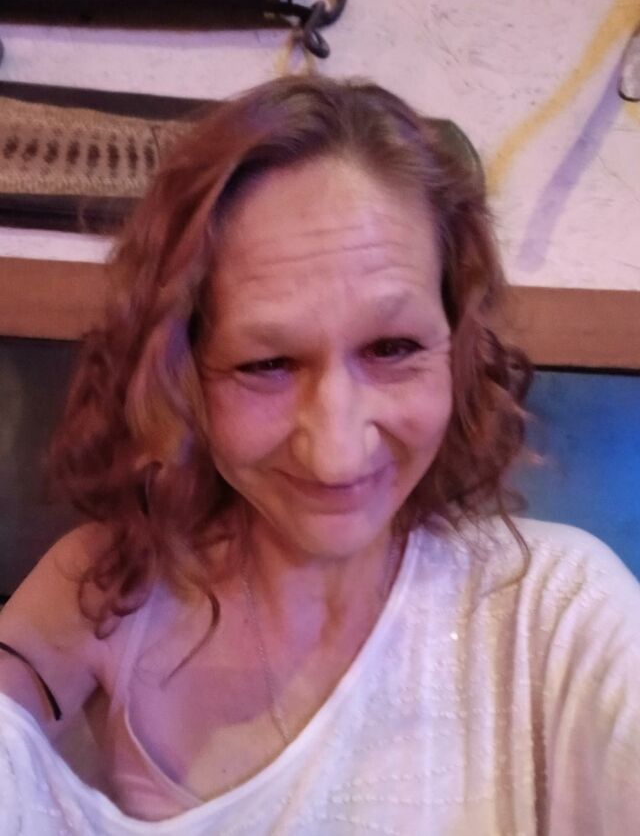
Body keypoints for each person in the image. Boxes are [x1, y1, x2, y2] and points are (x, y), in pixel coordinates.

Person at [0, 74, 638, 835]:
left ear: (459, 343)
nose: (337, 454)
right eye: (266, 364)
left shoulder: (560, 612)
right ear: (180, 369)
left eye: (392, 348)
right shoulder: (111, 584)